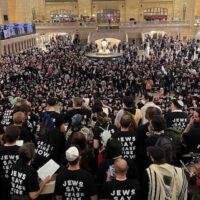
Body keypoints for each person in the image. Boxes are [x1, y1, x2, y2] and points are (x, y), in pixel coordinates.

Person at [0, 125, 20, 200]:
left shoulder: (1, 149)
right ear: (18, 137)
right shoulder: (21, 150)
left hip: (3, 182)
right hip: (17, 182)